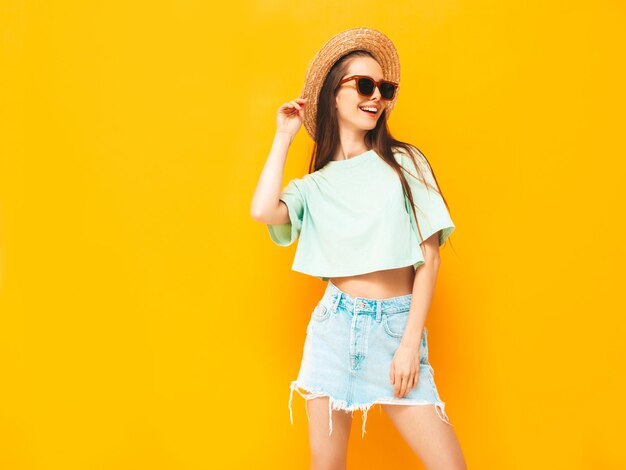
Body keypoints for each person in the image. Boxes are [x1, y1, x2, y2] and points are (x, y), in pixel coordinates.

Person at [251, 27, 467, 469]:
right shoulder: (314, 187)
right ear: (333, 94)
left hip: (394, 330)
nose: (376, 98)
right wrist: (283, 136)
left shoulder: (405, 162)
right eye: (364, 85)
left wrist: (409, 344)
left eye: (384, 89)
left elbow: (430, 256)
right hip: (333, 331)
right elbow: (262, 210)